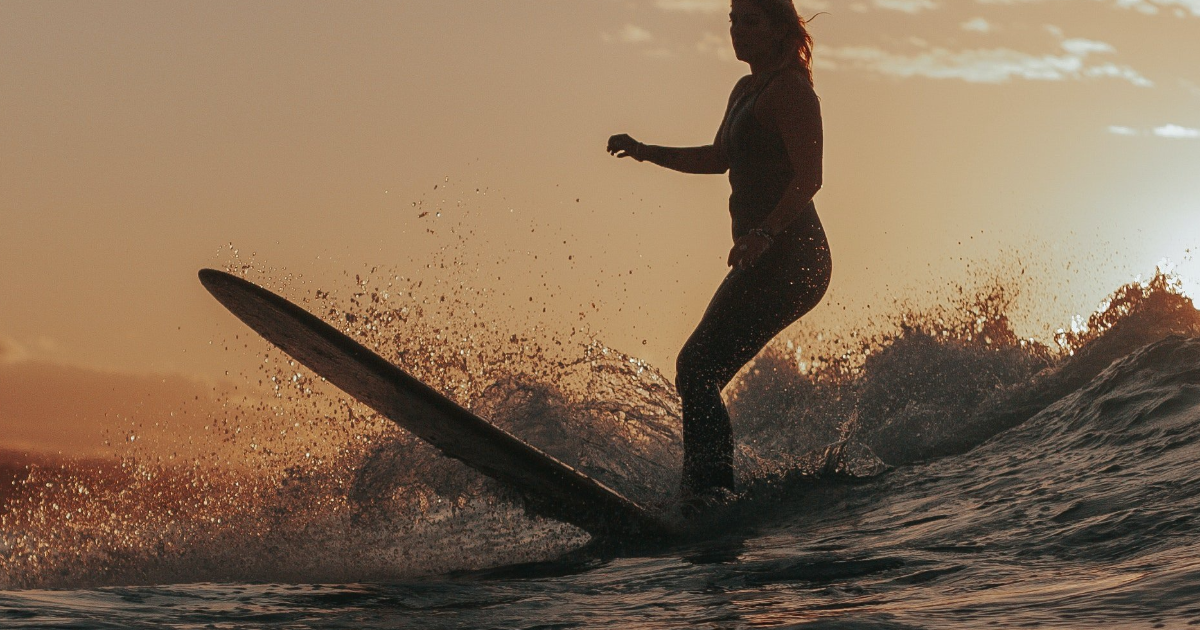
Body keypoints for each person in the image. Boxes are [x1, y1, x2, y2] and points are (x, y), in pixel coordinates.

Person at [607, 0, 831, 502]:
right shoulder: (746, 90)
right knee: (698, 369)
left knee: (697, 367)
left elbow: (809, 178)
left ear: (779, 29)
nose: (735, 29)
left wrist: (765, 233)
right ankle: (708, 492)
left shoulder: (791, 91)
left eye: (748, 20)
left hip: (794, 257)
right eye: (731, 19)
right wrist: (645, 151)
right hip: (764, 256)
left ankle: (709, 496)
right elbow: (718, 158)